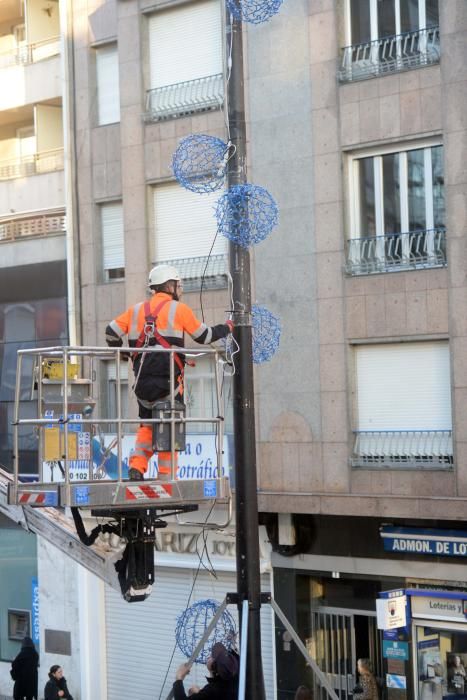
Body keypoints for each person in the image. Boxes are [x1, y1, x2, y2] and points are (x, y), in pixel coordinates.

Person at [105, 264, 233, 481]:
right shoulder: (178, 309)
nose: (179, 289)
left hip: (142, 386)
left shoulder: (136, 310)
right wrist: (229, 326)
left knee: (147, 425)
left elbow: (111, 333)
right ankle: (166, 477)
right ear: (170, 285)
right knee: (169, 428)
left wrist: (126, 354)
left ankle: (137, 466)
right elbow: (205, 336)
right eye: (178, 285)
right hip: (169, 385)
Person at [173, 642, 239, 699]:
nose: (209, 656)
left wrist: (179, 677)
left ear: (214, 669)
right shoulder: (234, 669)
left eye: (212, 656)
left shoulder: (212, 691)